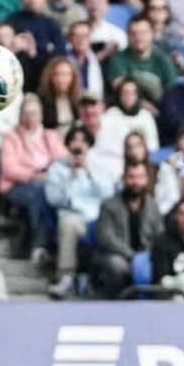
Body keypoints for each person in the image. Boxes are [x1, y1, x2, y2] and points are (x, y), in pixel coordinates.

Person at [0, 94, 67, 268]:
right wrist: (33, 175)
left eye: (34, 113)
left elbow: (63, 160)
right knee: (39, 193)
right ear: (20, 115)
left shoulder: (51, 136)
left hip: (48, 182)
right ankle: (39, 245)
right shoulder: (11, 137)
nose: (30, 118)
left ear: (41, 116)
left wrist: (50, 174)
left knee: (53, 194)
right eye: (27, 113)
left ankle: (56, 244)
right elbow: (9, 168)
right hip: (17, 185)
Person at [46, 126, 115, 299]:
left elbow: (108, 194)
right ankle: (66, 276)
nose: (78, 144)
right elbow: (53, 198)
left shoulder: (99, 165)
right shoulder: (57, 168)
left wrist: (88, 171)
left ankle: (99, 280)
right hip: (73, 217)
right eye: (74, 140)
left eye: (83, 140)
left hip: (97, 219)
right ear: (68, 144)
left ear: (89, 144)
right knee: (68, 223)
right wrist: (71, 175)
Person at [93, 161, 161, 298]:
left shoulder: (152, 205)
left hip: (145, 255)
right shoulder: (109, 205)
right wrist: (132, 256)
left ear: (147, 180)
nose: (136, 182)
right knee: (117, 266)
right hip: (117, 254)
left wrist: (145, 256)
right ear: (124, 179)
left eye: (140, 177)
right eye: (131, 177)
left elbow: (159, 234)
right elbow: (106, 238)